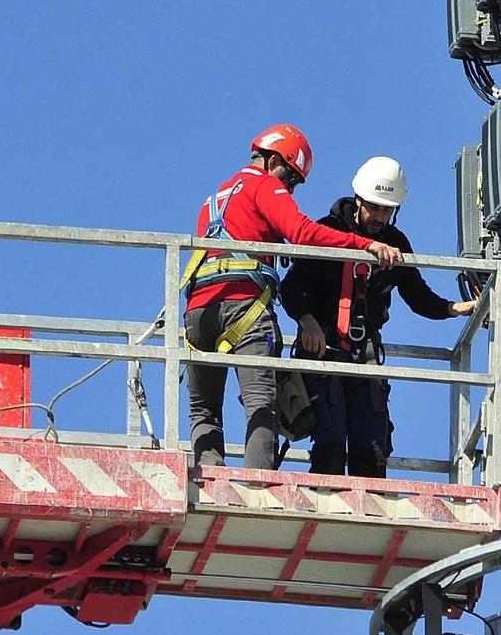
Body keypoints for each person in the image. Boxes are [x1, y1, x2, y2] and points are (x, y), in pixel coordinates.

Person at [182, 125, 403, 470]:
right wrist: (365, 245)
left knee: (204, 409)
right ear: (273, 161)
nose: (291, 189)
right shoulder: (265, 184)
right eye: (292, 178)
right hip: (244, 309)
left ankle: (209, 480)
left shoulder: (217, 198)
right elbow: (302, 232)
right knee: (261, 402)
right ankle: (259, 488)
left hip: (198, 310)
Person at [280, 156, 477, 478]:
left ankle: (370, 508)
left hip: (364, 355)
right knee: (330, 440)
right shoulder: (326, 232)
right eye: (374, 207)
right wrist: (307, 321)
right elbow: (291, 289)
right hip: (323, 350)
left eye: (387, 210)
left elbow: (416, 294)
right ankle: (326, 506)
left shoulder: (395, 244)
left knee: (371, 445)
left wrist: (452, 308)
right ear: (358, 200)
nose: (380, 216)